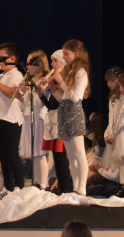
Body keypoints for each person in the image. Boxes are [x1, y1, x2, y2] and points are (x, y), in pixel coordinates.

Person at [49, 39, 90, 195]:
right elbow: (64, 99)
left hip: (74, 115)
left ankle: (82, 189)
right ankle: (76, 188)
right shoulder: (71, 72)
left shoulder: (81, 72)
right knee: (71, 156)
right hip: (65, 114)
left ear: (76, 53)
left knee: (79, 153)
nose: (64, 57)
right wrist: (53, 90)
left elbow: (76, 97)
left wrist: (62, 82)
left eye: (66, 54)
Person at [0, 42, 24, 196]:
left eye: (2, 58)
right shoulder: (0, 76)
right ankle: (7, 186)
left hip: (11, 118)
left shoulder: (16, 74)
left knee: (12, 153)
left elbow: (11, 93)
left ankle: (18, 185)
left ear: (12, 59)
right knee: (2, 154)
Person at [37, 49, 73, 194]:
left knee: (62, 160)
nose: (52, 64)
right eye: (51, 61)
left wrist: (54, 89)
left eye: (55, 61)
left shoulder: (66, 81)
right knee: (57, 159)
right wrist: (42, 95)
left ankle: (66, 190)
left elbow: (65, 102)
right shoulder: (56, 81)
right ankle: (62, 189)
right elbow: (52, 106)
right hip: (53, 122)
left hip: (63, 123)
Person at [14, 51, 49, 189]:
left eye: (30, 63)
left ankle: (43, 185)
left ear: (39, 65)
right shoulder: (30, 81)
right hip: (28, 119)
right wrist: (21, 98)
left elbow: (40, 103)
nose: (27, 67)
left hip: (38, 119)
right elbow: (26, 106)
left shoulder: (43, 81)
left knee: (39, 154)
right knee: (33, 156)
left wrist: (27, 92)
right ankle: (37, 184)